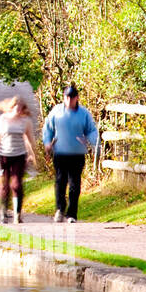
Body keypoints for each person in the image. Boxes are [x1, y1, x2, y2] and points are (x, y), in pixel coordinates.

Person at [42, 83, 99, 223]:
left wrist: (90, 140)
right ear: (64, 98)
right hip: (60, 152)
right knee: (60, 182)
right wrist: (47, 143)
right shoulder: (56, 112)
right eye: (67, 97)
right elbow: (47, 128)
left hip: (77, 153)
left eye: (72, 97)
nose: (69, 100)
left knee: (75, 184)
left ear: (77, 98)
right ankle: (60, 209)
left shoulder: (84, 113)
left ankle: (72, 214)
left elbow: (92, 130)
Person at [0, 96, 39, 223]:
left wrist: (33, 155)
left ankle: (17, 214)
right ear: (12, 106)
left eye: (21, 108)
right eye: (16, 107)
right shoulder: (0, 120)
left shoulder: (25, 121)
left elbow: (30, 139)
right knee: (4, 185)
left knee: (16, 185)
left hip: (19, 156)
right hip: (3, 156)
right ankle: (3, 213)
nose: (18, 110)